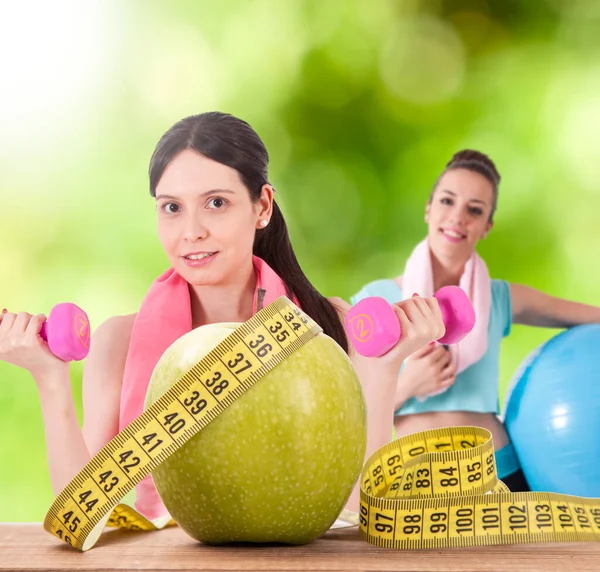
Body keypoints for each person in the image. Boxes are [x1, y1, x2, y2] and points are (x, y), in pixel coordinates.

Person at [0, 111, 446, 519]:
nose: (191, 231)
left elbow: (357, 512)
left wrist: (383, 368)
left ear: (262, 207)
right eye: (172, 207)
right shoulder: (119, 342)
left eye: (216, 202)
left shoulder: (328, 326)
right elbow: (83, 513)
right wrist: (50, 377)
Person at [350, 149, 600, 492]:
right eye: (447, 201)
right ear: (429, 208)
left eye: (475, 210)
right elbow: (348, 414)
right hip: (413, 475)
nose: (457, 217)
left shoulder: (500, 297)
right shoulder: (372, 303)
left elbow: (591, 317)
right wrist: (409, 386)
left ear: (487, 226)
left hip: (499, 471)